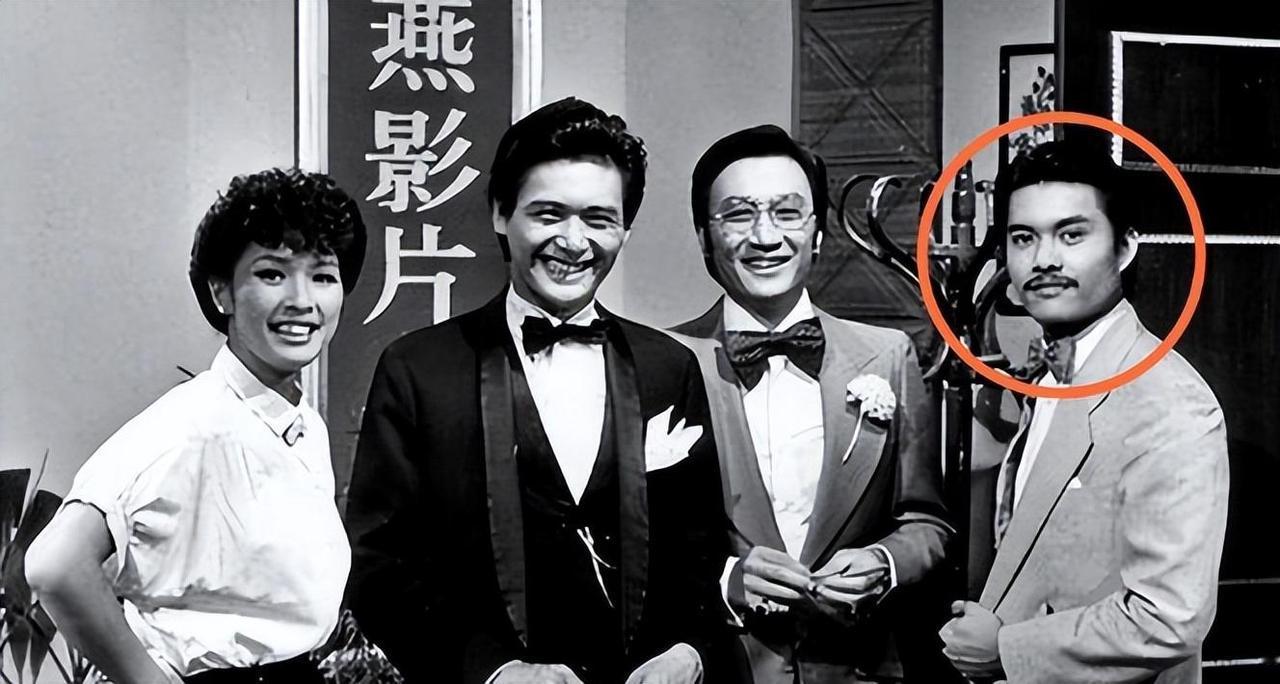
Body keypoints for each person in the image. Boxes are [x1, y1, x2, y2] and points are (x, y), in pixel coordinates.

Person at [344, 97, 732, 684]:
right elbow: (380, 565)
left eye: (599, 219)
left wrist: (690, 650)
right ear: (501, 214)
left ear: (625, 228)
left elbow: (702, 549)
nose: (574, 242)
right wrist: (494, 671)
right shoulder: (417, 368)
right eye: (549, 214)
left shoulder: (669, 367)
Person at [24, 168, 367, 683]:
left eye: (322, 276)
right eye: (272, 274)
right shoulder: (193, 423)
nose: (302, 300)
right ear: (221, 291)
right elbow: (55, 566)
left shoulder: (301, 422)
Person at [667, 125, 952, 683]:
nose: (765, 235)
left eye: (787, 213)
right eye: (738, 215)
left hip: (858, 667)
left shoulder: (888, 355)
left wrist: (884, 562)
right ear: (704, 237)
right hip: (721, 668)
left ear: (817, 233)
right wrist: (725, 579)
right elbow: (638, 539)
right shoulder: (664, 361)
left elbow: (927, 522)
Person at [939, 141, 1229, 683]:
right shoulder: (1051, 375)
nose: (1043, 259)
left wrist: (1007, 650)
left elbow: (1169, 618)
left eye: (1071, 235)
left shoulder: (1168, 402)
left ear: (1125, 247)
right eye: (1023, 238)